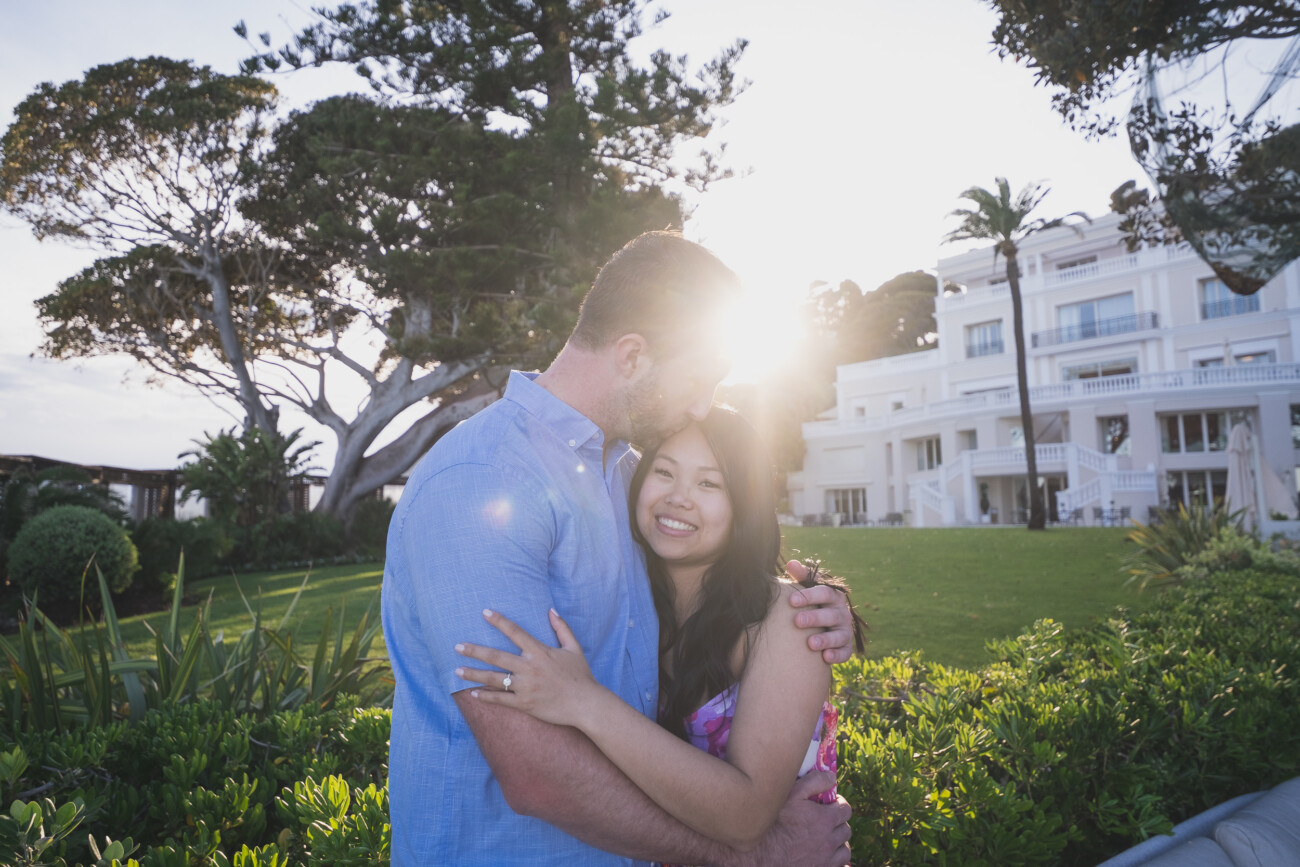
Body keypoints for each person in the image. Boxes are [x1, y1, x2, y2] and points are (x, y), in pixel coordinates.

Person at [382, 231, 856, 865]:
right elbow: (535, 772)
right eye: (699, 381)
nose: (702, 406)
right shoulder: (481, 482)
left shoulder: (632, 475)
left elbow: (726, 578)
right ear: (632, 356)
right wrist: (748, 858)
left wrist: (819, 613)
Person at [456, 408, 869, 859]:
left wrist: (583, 700)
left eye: (709, 483)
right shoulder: (627, 600)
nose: (678, 497)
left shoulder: (788, 619)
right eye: (665, 472)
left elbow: (745, 816)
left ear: (744, 504)